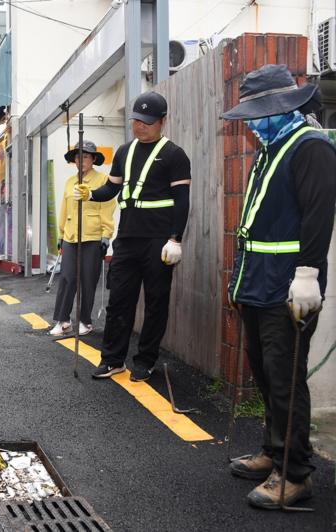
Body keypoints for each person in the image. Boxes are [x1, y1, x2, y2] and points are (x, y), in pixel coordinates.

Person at [222, 64, 336, 509]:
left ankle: (295, 474)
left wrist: (307, 275)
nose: (250, 123)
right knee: (267, 373)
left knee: (287, 379)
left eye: (256, 113)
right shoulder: (270, 148)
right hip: (257, 281)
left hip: (289, 285)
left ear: (281, 107)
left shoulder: (310, 148)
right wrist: (239, 277)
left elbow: (317, 215)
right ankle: (274, 451)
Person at [74, 91, 191, 382]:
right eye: (137, 120)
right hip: (126, 238)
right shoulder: (124, 152)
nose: (140, 126)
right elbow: (111, 189)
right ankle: (112, 359)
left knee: (155, 302)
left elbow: (182, 201)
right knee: (119, 301)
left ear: (163, 121)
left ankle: (145, 360)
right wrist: (90, 193)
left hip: (159, 240)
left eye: (147, 122)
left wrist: (176, 239)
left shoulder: (175, 155)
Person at [49, 141, 115, 337]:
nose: (81, 161)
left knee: (88, 280)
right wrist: (61, 234)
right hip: (70, 235)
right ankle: (63, 320)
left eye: (85, 157)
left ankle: (85, 320)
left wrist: (106, 235)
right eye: (78, 157)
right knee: (67, 278)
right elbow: (64, 209)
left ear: (93, 159)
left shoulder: (103, 180)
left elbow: (108, 208)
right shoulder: (70, 182)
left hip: (93, 236)